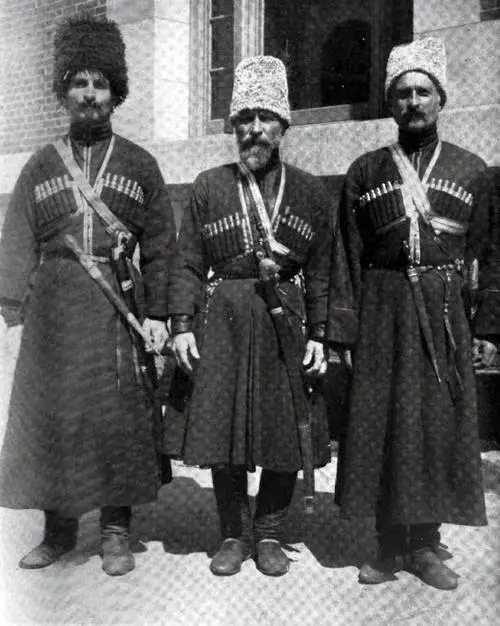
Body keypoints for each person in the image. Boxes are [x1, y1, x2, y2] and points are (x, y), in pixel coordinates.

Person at [0, 17, 176, 576]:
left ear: (116, 92)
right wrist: (9, 306)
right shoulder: (40, 166)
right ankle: (57, 532)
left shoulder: (139, 164)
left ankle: (117, 531)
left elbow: (164, 248)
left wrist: (161, 317)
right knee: (55, 417)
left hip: (116, 310)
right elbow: (17, 238)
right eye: (79, 83)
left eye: (100, 84)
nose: (90, 95)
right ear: (63, 91)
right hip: (54, 314)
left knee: (116, 417)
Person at [165, 56, 353, 577]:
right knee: (224, 432)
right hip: (222, 316)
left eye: (265, 116)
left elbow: (322, 270)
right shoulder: (208, 185)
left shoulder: (313, 192)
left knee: (282, 427)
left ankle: (268, 532)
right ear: (232, 127)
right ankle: (233, 532)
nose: (254, 128)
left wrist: (321, 334)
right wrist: (181, 324)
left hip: (285, 319)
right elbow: (186, 261)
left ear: (284, 125)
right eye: (244, 117)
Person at [334, 37, 500, 590]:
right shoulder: (364, 171)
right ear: (390, 102)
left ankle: (425, 545)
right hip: (381, 311)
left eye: (423, 91)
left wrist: (488, 329)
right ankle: (388, 544)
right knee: (383, 425)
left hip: (444, 311)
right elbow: (347, 258)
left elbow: (490, 256)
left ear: (440, 99)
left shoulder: (473, 171)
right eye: (402, 93)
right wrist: (343, 331)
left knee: (432, 425)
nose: (413, 102)